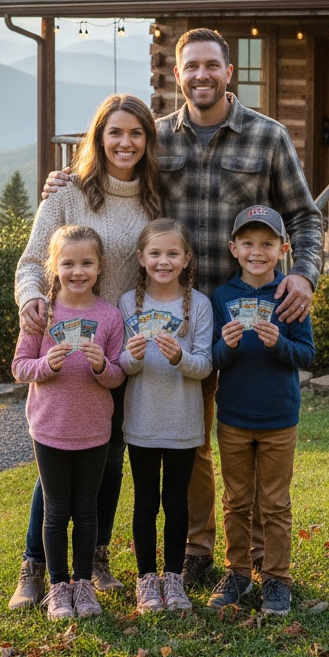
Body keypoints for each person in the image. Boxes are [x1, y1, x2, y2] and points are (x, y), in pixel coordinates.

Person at [44, 29, 323, 586]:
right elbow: (115, 168)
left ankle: (263, 565)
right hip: (173, 313)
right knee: (189, 440)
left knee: (248, 435)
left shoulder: (268, 138)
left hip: (246, 313)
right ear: (177, 75)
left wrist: (305, 275)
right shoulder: (159, 139)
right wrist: (67, 183)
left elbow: (305, 217)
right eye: (190, 66)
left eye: (211, 66)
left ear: (228, 72)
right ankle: (197, 551)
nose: (201, 75)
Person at [9, 94, 163, 610]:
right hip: (67, 348)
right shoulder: (69, 195)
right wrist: (33, 299)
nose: (125, 143)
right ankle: (36, 568)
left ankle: (95, 559)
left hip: (125, 342)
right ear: (98, 138)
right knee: (57, 464)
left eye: (136, 134)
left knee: (110, 458)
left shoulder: (156, 198)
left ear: (148, 141)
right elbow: (32, 260)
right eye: (114, 133)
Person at [11, 224, 126, 620]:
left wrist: (101, 367)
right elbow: (20, 367)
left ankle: (82, 584)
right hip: (50, 429)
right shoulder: (43, 313)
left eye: (87, 263)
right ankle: (57, 586)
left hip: (94, 429)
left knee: (88, 510)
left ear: (100, 267)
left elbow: (118, 375)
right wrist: (45, 365)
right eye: (68, 263)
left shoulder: (109, 317)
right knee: (56, 510)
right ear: (53, 266)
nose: (78, 271)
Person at [205, 205, 315, 615]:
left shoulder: (291, 293)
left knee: (274, 502)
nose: (257, 251)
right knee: (236, 500)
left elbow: (307, 354)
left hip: (278, 418)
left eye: (267, 243)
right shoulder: (223, 297)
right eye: (248, 243)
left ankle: (275, 578)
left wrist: (278, 344)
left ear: (283, 248)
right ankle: (237, 572)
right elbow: (215, 359)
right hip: (233, 416)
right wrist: (227, 345)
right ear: (233, 249)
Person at [118, 219, 212, 613]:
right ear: (141, 258)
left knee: (176, 503)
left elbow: (205, 365)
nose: (163, 261)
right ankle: (146, 579)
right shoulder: (128, 304)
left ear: (186, 259)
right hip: (141, 420)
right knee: (144, 503)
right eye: (155, 253)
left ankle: (173, 579)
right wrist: (134, 356)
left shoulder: (200, 305)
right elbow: (122, 365)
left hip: (182, 422)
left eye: (173, 253)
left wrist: (179, 357)